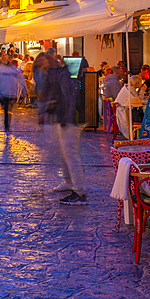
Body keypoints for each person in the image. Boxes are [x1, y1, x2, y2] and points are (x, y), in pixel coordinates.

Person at [44, 59, 86, 205]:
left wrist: (67, 119)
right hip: (68, 118)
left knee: (70, 153)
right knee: (65, 152)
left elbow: (70, 98)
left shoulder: (63, 76)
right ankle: (69, 181)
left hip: (71, 120)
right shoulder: (61, 75)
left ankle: (79, 192)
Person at [0, 59, 24, 133]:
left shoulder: (2, 71)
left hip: (6, 94)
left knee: (7, 110)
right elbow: (20, 79)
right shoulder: (10, 71)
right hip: (7, 94)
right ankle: (7, 126)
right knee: (7, 110)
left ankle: (7, 126)